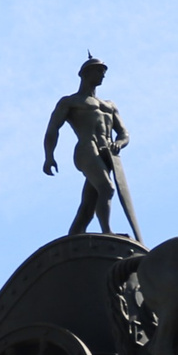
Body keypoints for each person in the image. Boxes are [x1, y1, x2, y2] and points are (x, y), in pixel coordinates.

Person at [41, 55, 136, 238]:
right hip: (87, 148)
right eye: (99, 71)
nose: (103, 75)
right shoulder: (70, 102)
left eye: (104, 71)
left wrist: (119, 143)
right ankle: (107, 232)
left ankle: (75, 234)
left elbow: (124, 133)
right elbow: (52, 129)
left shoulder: (109, 105)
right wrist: (49, 156)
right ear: (85, 73)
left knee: (89, 202)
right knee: (106, 189)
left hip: (107, 154)